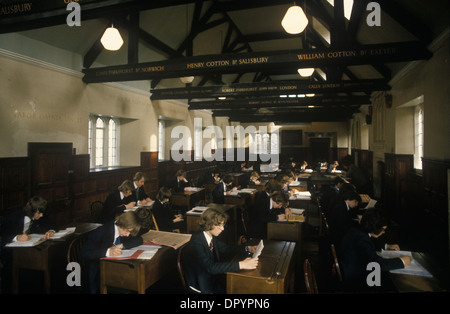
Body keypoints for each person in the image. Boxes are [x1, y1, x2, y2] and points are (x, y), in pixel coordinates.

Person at [182, 208, 258, 294]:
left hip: (211, 278)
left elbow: (227, 248)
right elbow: (210, 267)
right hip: (200, 285)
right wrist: (241, 264)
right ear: (209, 224)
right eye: (219, 226)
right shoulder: (196, 242)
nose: (222, 229)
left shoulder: (210, 236)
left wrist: (248, 248)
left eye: (223, 225)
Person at [340, 207, 411, 293]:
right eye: (383, 229)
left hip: (351, 272)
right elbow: (377, 265)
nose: (384, 232)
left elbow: (367, 247)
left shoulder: (356, 231)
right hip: (357, 282)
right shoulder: (362, 240)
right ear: (375, 227)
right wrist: (401, 261)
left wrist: (386, 246)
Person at [80, 211, 142, 294]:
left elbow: (139, 239)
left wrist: (121, 246)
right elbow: (83, 254)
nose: (128, 235)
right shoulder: (102, 231)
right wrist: (107, 251)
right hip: (97, 273)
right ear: (123, 224)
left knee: (135, 282)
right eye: (127, 231)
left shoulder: (123, 229)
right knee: (128, 289)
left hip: (114, 269)